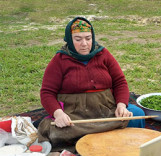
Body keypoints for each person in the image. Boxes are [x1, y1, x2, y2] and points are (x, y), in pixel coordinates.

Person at [37, 17, 145, 149]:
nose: (84, 43)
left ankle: (128, 149)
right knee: (52, 130)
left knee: (137, 115)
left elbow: (119, 82)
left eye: (88, 38)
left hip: (106, 109)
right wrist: (58, 114)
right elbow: (47, 92)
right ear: (70, 40)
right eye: (78, 39)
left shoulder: (103, 54)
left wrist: (121, 106)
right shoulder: (60, 60)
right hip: (75, 114)